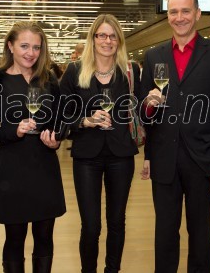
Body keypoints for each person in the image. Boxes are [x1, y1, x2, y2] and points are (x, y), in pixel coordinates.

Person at [139, 0, 210, 273]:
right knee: (165, 232)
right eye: (173, 11)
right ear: (166, 16)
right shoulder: (153, 55)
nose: (179, 17)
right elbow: (145, 113)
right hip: (164, 159)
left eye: (185, 11)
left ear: (197, 14)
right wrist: (150, 105)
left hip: (202, 160)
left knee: (200, 231)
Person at [59, 14, 140, 273]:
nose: (107, 41)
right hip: (87, 155)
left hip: (121, 153)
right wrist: (84, 121)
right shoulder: (74, 71)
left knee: (117, 221)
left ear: (119, 40)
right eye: (101, 35)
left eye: (112, 36)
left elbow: (142, 110)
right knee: (91, 225)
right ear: (92, 39)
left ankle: (112, 270)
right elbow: (62, 112)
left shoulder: (130, 71)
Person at [0, 21, 66, 273]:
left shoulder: (49, 79)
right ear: (10, 45)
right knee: (14, 238)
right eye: (24, 46)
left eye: (37, 47)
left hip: (45, 166)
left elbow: (60, 119)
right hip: (13, 169)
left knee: (44, 237)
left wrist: (57, 137)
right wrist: (13, 131)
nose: (31, 53)